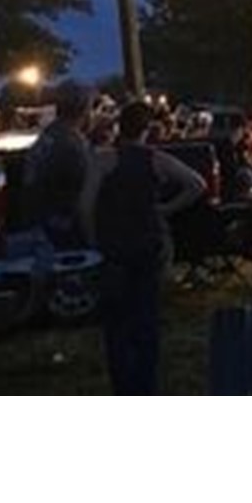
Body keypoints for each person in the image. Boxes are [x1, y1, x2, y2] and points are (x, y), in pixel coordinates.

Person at [79, 101, 205, 394]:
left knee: (116, 324)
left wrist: (92, 237)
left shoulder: (102, 160)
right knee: (146, 318)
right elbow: (196, 184)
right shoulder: (155, 160)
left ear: (119, 127)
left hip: (114, 247)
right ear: (147, 129)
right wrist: (166, 209)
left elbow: (84, 205)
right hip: (147, 245)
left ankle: (123, 386)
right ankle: (146, 386)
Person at [22, 81, 94, 249]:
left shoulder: (48, 136)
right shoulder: (72, 144)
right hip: (62, 227)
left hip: (41, 221)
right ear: (84, 110)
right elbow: (84, 191)